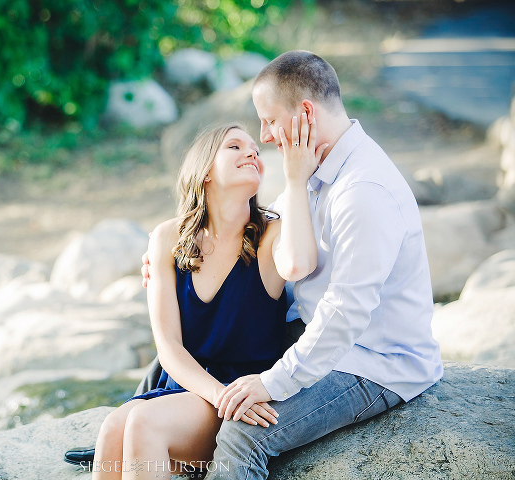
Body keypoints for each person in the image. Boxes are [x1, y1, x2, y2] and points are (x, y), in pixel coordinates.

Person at [139, 50, 443, 479]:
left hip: (371, 361)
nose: (263, 137)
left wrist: (274, 382)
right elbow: (256, 231)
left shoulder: (364, 190)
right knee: (183, 353)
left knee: (243, 432)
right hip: (313, 337)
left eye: (267, 120)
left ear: (304, 113)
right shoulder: (317, 173)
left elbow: (346, 313)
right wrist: (166, 258)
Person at [86, 119, 327, 479]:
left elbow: (300, 264)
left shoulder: (271, 235)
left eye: (255, 151)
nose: (251, 152)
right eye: (234, 146)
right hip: (192, 386)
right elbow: (168, 346)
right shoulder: (168, 237)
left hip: (244, 392)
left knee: (144, 424)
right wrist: (215, 392)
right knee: (112, 429)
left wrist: (296, 180)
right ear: (205, 171)